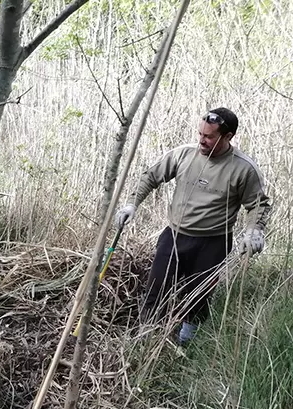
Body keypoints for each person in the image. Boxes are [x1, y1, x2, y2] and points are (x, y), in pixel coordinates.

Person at [115, 107, 271, 344]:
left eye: (209, 137)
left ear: (228, 137)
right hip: (175, 235)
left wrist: (254, 232)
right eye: (200, 134)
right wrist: (131, 204)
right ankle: (145, 338)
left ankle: (186, 343)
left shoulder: (243, 168)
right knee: (156, 288)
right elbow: (150, 176)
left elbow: (258, 205)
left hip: (213, 242)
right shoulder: (183, 155)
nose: (202, 140)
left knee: (198, 297)